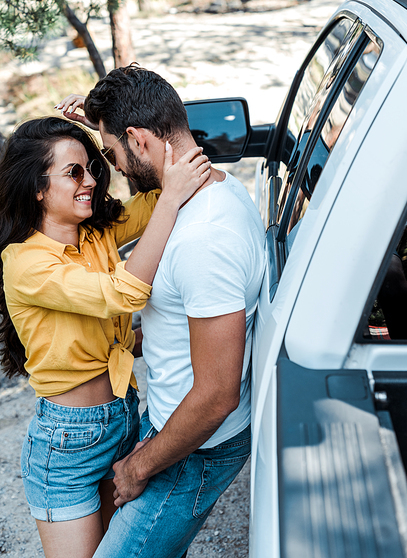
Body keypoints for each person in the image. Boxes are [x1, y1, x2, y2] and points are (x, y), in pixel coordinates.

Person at [57, 65, 266, 558]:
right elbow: (183, 323)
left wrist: (140, 464)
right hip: (177, 426)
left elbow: (217, 395)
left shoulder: (204, 239)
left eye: (113, 154)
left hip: (196, 447)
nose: (118, 168)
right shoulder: (214, 188)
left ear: (139, 139)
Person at [0, 116, 210, 558]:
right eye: (74, 172)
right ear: (37, 188)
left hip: (124, 419)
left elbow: (174, 183)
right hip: (66, 447)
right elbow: (123, 293)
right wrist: (168, 202)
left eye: (93, 166)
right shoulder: (25, 263)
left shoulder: (96, 233)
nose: (91, 180)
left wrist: (121, 126)